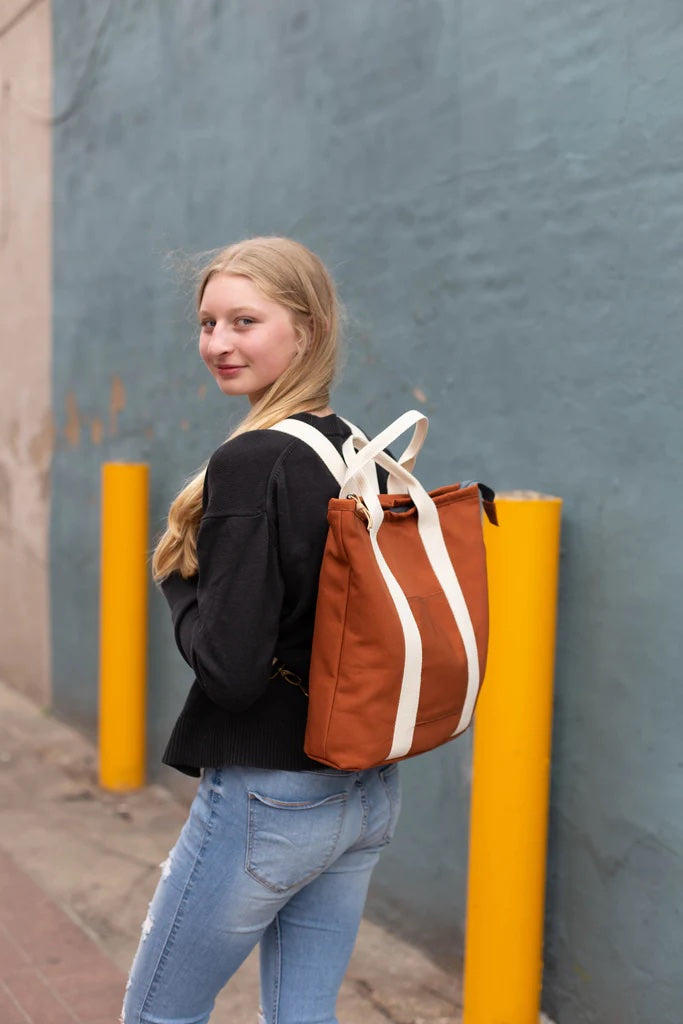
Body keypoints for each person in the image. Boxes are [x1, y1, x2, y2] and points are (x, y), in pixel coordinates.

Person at [121, 236, 401, 1024]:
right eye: (208, 323)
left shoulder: (255, 461)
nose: (218, 343)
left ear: (306, 331)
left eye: (245, 321)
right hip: (363, 788)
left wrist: (178, 583)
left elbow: (232, 670)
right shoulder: (356, 449)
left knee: (157, 1015)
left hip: (271, 798)